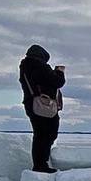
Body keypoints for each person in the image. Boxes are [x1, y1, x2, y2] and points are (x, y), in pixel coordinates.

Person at [18, 43, 66, 173]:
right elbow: (57, 82)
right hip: (43, 106)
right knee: (47, 134)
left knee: (40, 135)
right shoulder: (39, 66)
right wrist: (59, 72)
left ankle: (41, 163)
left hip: (32, 104)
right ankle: (40, 165)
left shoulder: (25, 67)